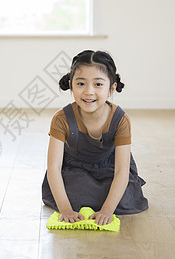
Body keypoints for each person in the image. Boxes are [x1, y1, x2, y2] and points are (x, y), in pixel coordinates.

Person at [42, 50, 148, 226]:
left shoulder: (121, 119)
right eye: (81, 83)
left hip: (110, 168)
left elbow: (121, 171)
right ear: (71, 85)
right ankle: (88, 197)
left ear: (111, 88)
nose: (89, 92)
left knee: (127, 194)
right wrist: (66, 210)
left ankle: (101, 200)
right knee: (73, 189)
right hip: (76, 169)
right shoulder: (61, 119)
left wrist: (107, 210)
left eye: (98, 84)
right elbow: (53, 168)